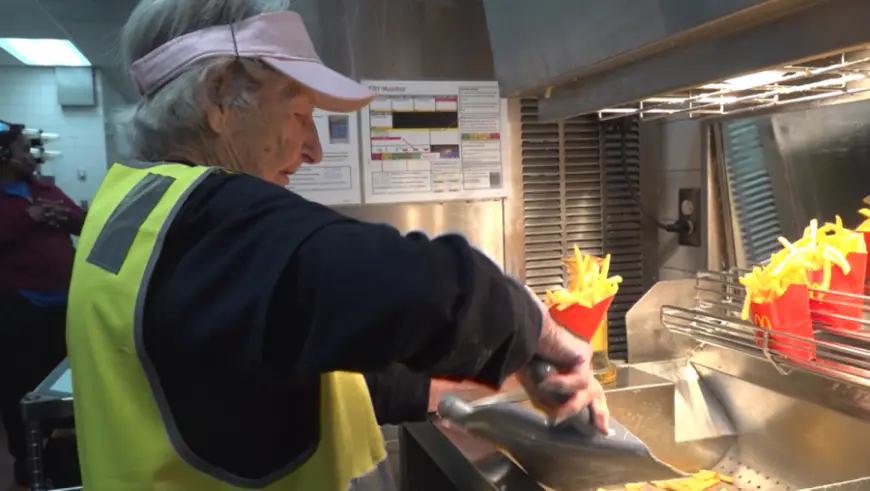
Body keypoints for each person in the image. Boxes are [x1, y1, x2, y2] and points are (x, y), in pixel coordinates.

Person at [65, 1, 610, 490]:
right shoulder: (207, 222)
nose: (314, 150)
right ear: (218, 97)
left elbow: (268, 356)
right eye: (298, 113)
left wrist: (443, 391)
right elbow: (415, 286)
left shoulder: (131, 208)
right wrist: (535, 328)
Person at [0, 122, 83, 488]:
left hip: (64, 306)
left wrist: (61, 215)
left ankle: (65, 455)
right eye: (22, 149)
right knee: (22, 387)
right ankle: (28, 464)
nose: (30, 156)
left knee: (66, 386)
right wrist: (28, 218)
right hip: (20, 310)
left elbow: (82, 221)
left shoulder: (43, 188)